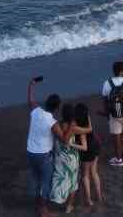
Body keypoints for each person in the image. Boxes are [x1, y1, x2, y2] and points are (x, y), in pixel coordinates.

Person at [26, 80, 60, 217]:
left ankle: (37, 203)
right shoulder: (52, 122)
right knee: (46, 181)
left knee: (36, 178)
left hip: (30, 152)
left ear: (45, 103)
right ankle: (43, 210)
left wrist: (31, 86)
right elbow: (63, 138)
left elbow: (31, 100)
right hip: (44, 156)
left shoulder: (35, 111)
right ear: (56, 108)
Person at [49, 103, 84, 212]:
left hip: (59, 156)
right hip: (71, 157)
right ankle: (69, 206)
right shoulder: (74, 126)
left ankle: (57, 198)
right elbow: (66, 140)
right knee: (73, 181)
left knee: (59, 177)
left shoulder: (57, 124)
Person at [73, 103, 104, 210]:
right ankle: (99, 196)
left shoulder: (76, 126)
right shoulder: (87, 118)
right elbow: (91, 130)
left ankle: (89, 200)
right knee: (94, 172)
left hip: (86, 149)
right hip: (94, 145)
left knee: (85, 175)